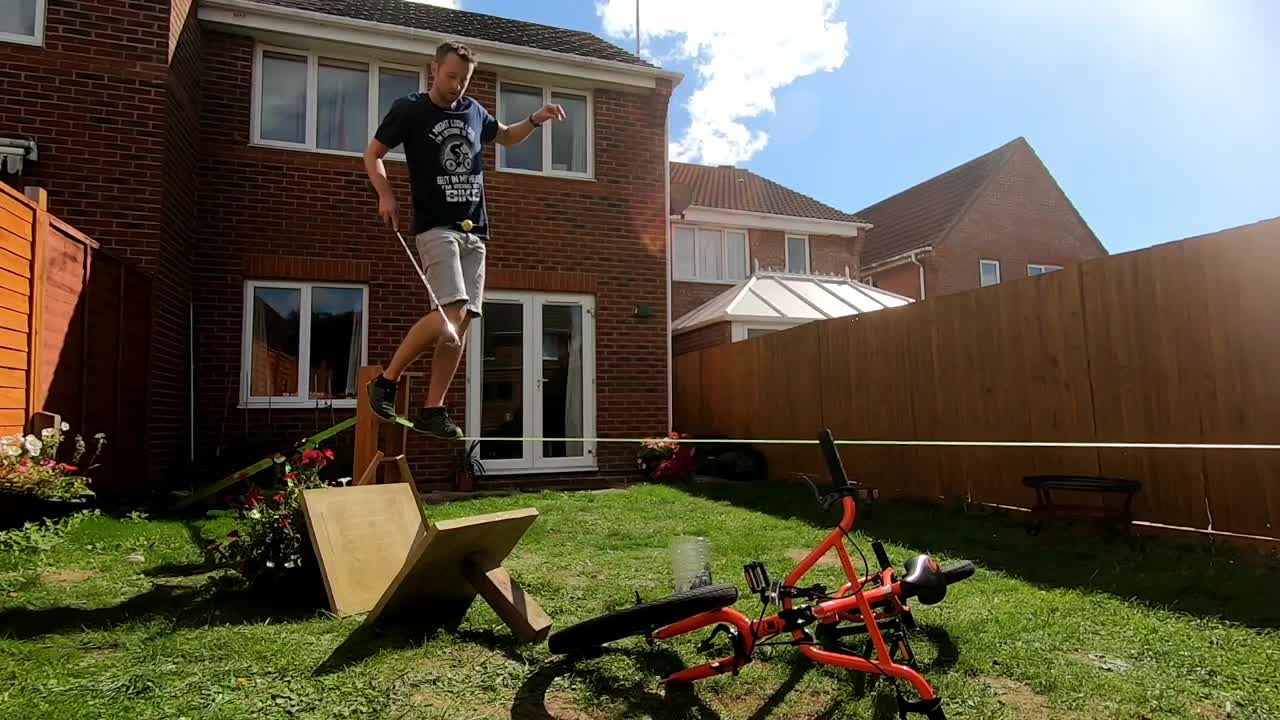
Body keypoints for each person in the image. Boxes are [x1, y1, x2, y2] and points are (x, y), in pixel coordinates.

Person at [362, 40, 565, 438]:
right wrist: (386, 195)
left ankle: (432, 408)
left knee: (464, 322)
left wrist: (537, 119)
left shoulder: (474, 111)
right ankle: (386, 381)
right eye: (451, 76)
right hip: (437, 227)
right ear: (433, 68)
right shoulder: (410, 109)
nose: (456, 85)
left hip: (476, 231)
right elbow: (373, 154)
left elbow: (505, 136)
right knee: (449, 312)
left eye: (464, 79)